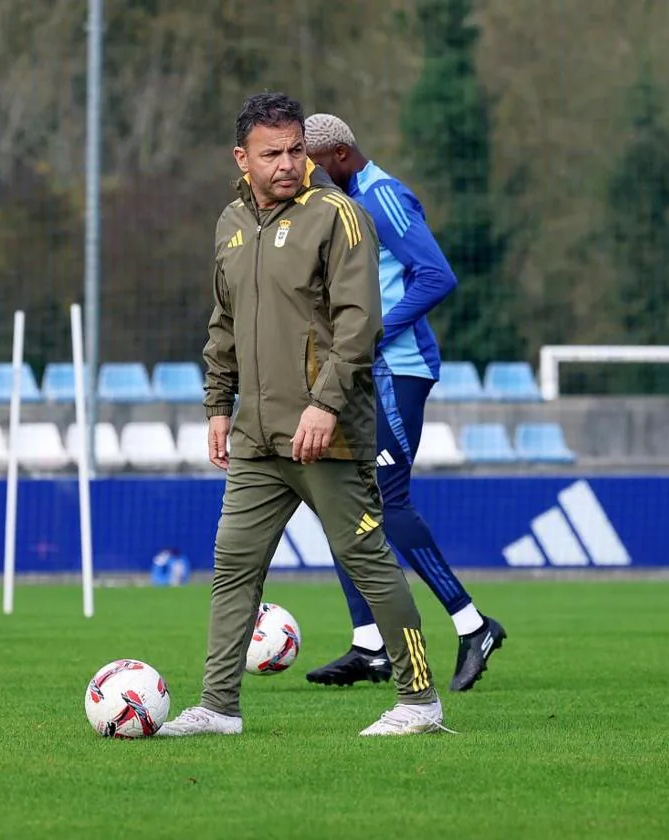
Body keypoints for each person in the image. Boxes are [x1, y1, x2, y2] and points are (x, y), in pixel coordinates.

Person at [159, 92, 444, 738]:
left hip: (329, 435)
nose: (289, 164)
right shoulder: (230, 223)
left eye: (296, 151)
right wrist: (216, 406)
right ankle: (218, 707)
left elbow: (358, 324)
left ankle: (421, 702)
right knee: (233, 567)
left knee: (368, 559)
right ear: (243, 158)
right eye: (273, 153)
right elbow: (222, 324)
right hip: (257, 438)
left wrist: (325, 404)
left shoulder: (339, 217)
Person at [302, 113, 507, 692]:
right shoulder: (341, 204)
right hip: (366, 371)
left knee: (388, 502)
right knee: (342, 500)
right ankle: (370, 647)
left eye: (313, 167)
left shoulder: (383, 197)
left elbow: (436, 276)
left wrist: (377, 331)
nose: (306, 179)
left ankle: (474, 625)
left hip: (398, 370)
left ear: (339, 155)